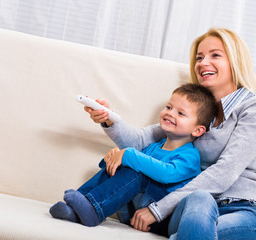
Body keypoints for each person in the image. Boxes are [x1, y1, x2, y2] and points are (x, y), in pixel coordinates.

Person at [88, 27, 256, 239]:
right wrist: (109, 119)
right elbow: (140, 141)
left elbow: (225, 171)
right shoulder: (194, 113)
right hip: (196, 208)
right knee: (199, 199)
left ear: (235, 61)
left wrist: (158, 210)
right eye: (199, 57)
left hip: (248, 210)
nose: (203, 63)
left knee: (199, 214)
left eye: (215, 55)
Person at [49, 83, 218, 229]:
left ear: (197, 130)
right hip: (132, 210)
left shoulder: (190, 155)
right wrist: (114, 158)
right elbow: (131, 163)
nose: (170, 113)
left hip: (159, 217)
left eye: (181, 113)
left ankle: (93, 210)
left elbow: (167, 174)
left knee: (138, 168)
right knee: (126, 165)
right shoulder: (154, 147)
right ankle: (76, 207)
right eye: (168, 107)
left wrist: (128, 155)